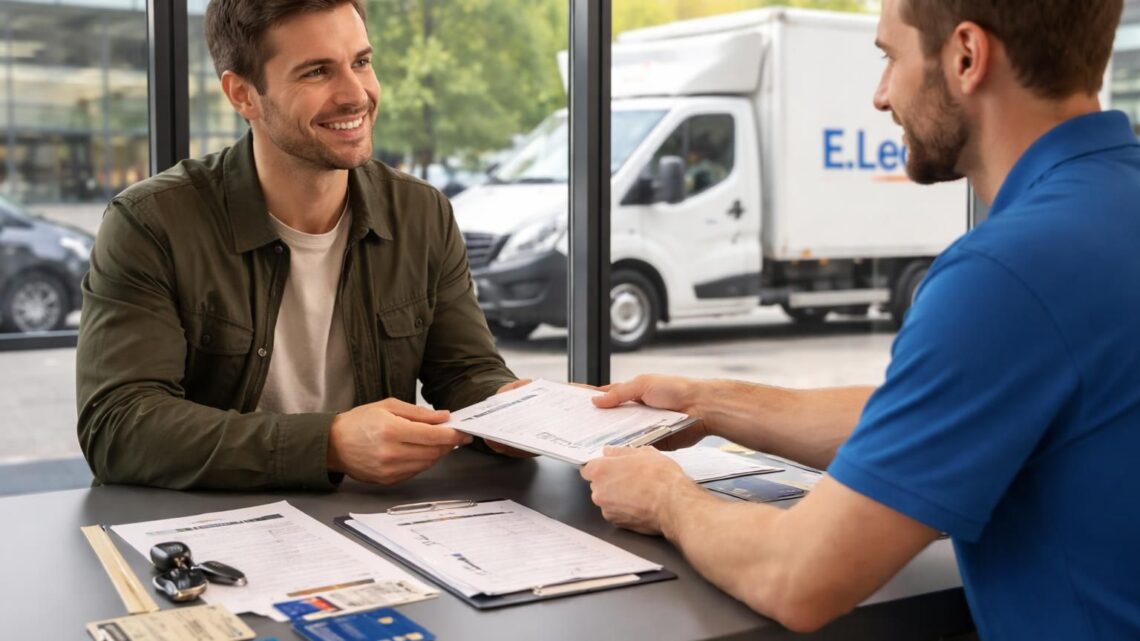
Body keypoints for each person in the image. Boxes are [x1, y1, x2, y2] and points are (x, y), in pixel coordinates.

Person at [581, 0, 1140, 637]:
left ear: (966, 56)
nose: (880, 96)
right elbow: (939, 410)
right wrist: (706, 403)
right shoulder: (1111, 212)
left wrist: (663, 496)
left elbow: (797, 577)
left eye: (890, 57)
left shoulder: (1008, 271)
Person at [76, 0, 525, 491]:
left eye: (361, 62)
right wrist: (327, 443)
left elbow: (464, 374)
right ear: (243, 95)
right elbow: (118, 425)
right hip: (209, 534)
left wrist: (519, 411)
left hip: (379, 524)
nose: (356, 94)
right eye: (317, 72)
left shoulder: (421, 213)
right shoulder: (151, 223)